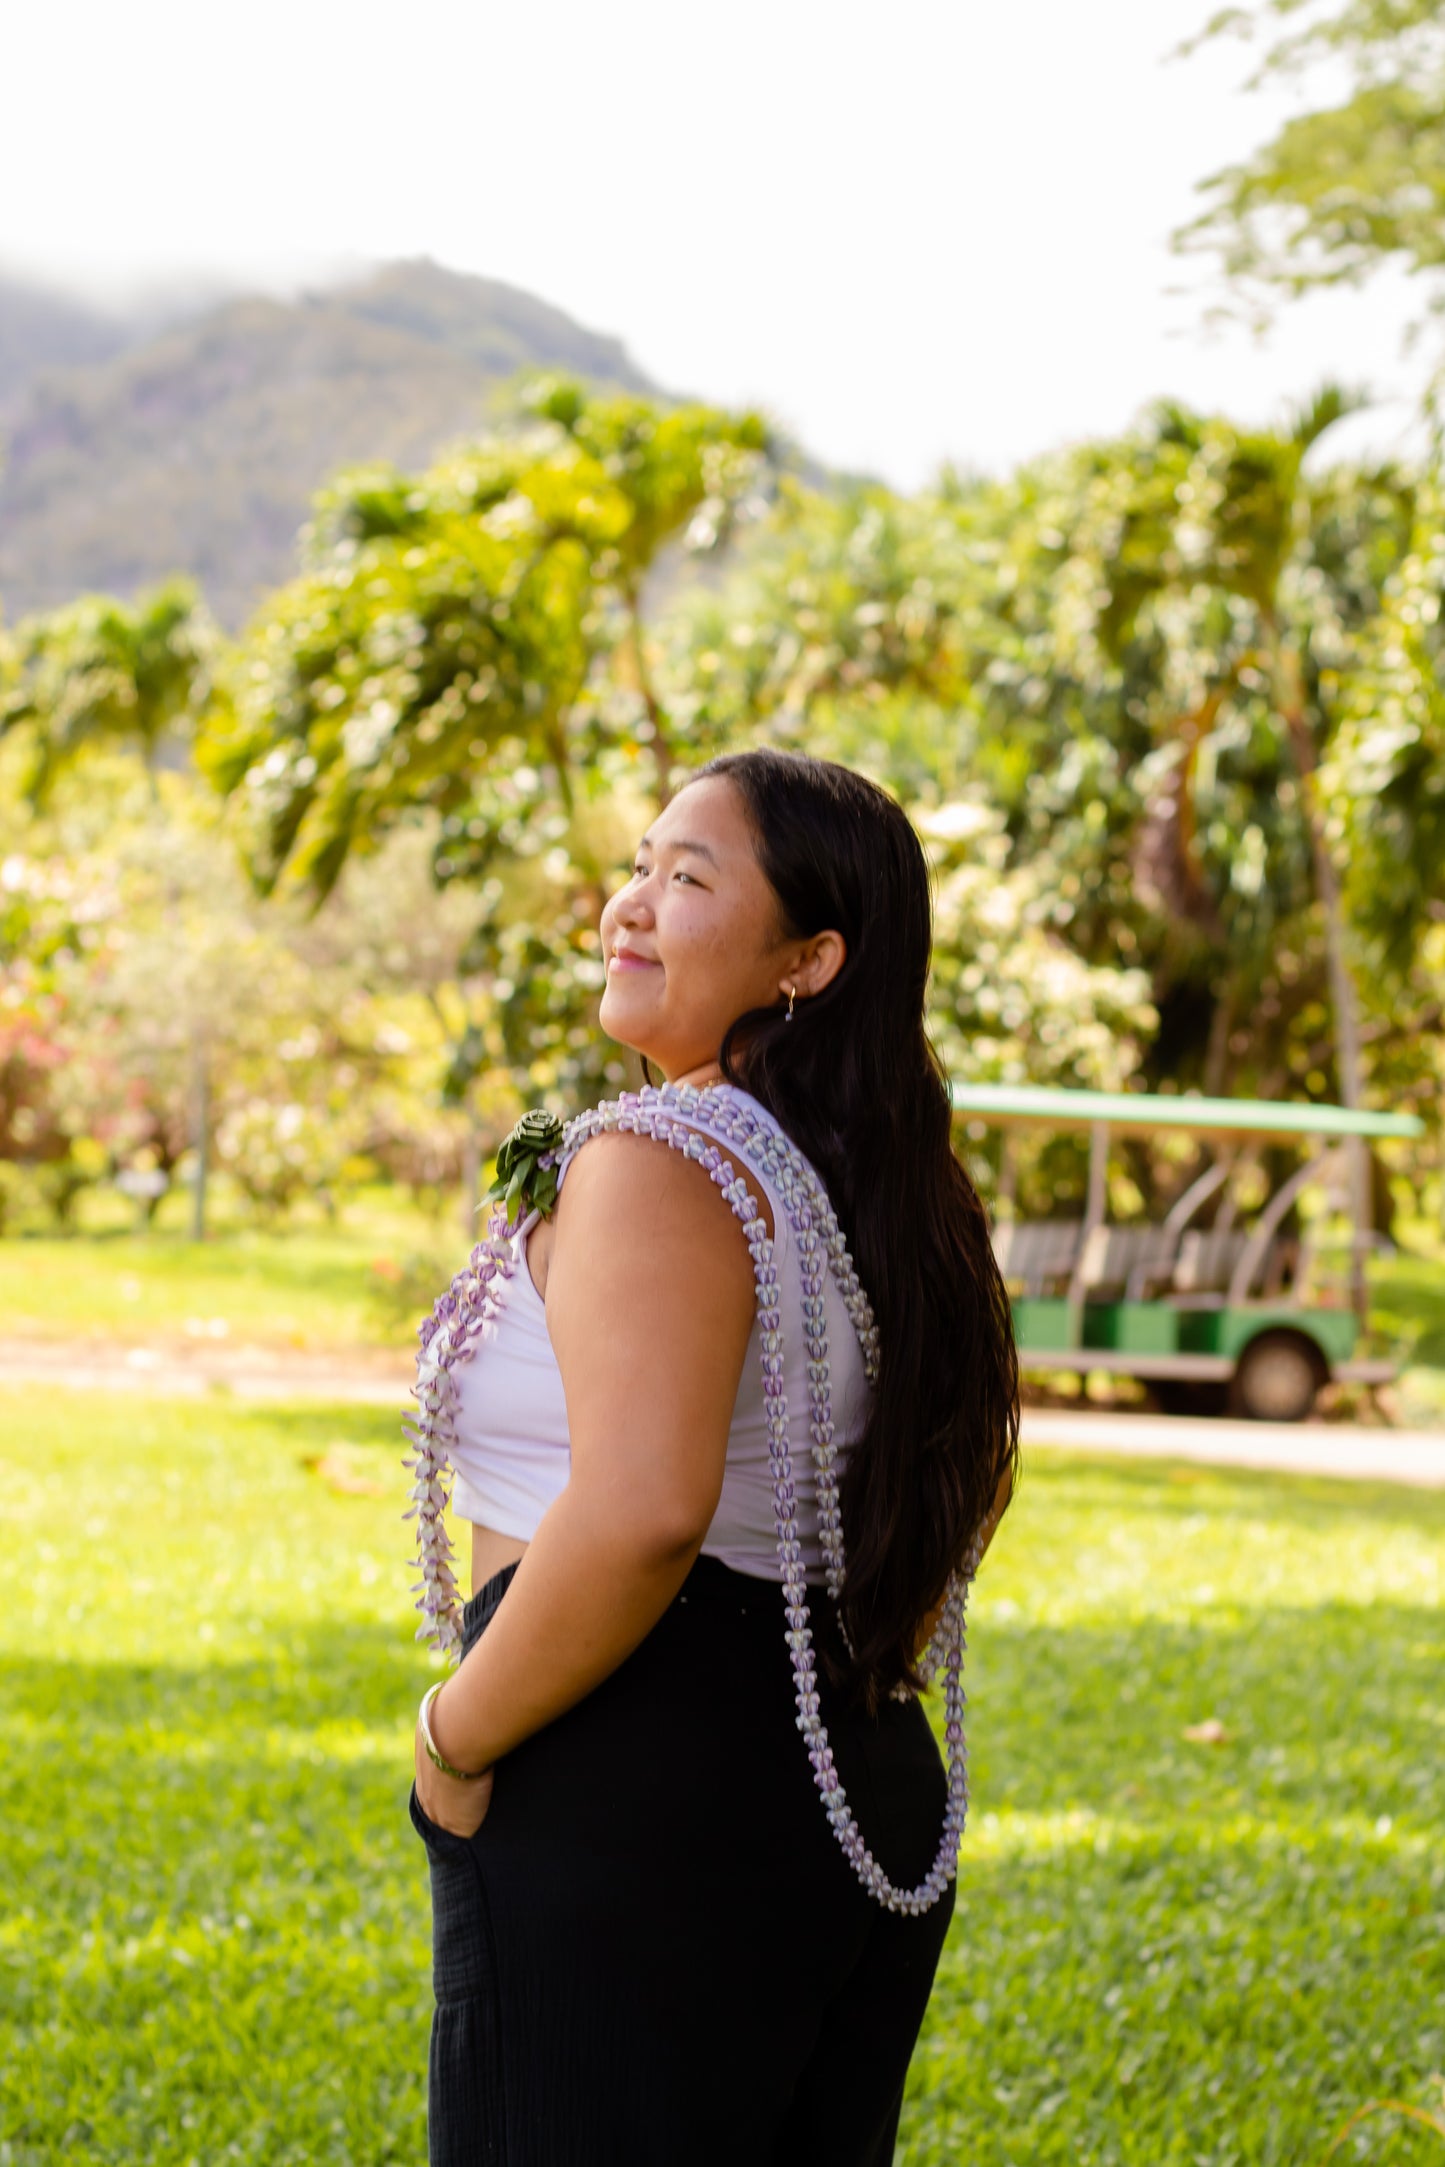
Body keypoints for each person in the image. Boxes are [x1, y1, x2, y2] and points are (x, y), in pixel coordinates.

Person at [406, 747, 1019, 2167]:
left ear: (805, 961)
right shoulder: (878, 1179)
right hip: (851, 1767)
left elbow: (639, 1511)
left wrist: (454, 1738)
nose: (631, 904)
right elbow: (954, 1479)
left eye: (686, 880)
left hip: (622, 1761)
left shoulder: (654, 1157)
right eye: (639, 864)